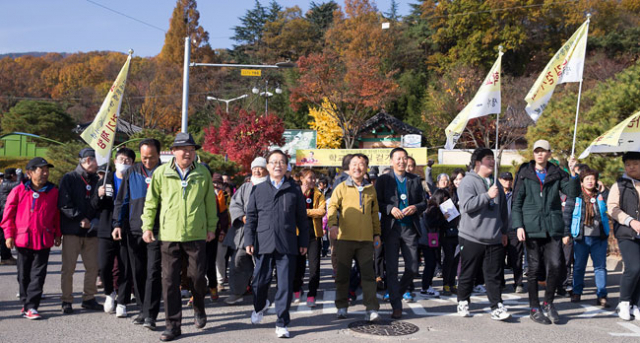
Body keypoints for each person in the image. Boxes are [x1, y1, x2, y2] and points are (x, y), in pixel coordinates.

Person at [141, 133, 218, 342]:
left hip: (196, 234)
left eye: (192, 149)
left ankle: (199, 307)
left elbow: (210, 203)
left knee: (198, 278)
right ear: (173, 151)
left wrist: (212, 227)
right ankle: (173, 326)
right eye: (184, 149)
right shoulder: (161, 173)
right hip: (169, 234)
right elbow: (151, 202)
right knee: (169, 280)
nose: (188, 153)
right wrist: (147, 226)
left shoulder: (202, 173)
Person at [244, 150, 310, 338]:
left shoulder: (294, 189)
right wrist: (249, 239)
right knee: (259, 282)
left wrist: (303, 241)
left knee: (285, 285)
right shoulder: (258, 189)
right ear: (267, 166)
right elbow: (251, 217)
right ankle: (259, 305)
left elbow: (302, 219)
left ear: (286, 165)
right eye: (273, 162)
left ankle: (282, 322)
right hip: (263, 242)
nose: (277, 165)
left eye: (281, 162)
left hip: (287, 243)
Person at [512, 140, 578, 325]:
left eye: (544, 151)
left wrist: (573, 174)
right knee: (533, 269)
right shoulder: (524, 173)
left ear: (549, 153)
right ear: (533, 153)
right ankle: (534, 307)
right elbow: (516, 202)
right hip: (531, 227)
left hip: (552, 226)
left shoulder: (557, 173)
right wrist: (518, 226)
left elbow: (573, 192)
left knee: (556, 265)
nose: (540, 154)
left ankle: (549, 303)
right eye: (537, 151)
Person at [112, 139, 163, 329]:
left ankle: (151, 314)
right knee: (138, 272)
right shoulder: (132, 172)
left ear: (158, 155)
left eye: (151, 157)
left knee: (153, 272)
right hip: (134, 230)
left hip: (158, 230)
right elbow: (122, 200)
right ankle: (142, 309)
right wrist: (117, 223)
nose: (148, 161)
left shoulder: (165, 172)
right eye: (144, 157)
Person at [1, 157, 60, 319]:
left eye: (47, 170)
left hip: (43, 238)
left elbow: (56, 214)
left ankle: (32, 306)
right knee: (23, 274)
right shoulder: (19, 190)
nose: (46, 173)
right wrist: (9, 235)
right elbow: (8, 215)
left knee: (38, 274)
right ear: (30, 173)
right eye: (42, 170)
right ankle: (25, 302)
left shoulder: (53, 191)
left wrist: (57, 234)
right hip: (23, 238)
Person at [456, 148, 510, 321]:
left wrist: (504, 230)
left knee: (493, 275)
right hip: (471, 236)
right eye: (488, 158)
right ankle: (463, 300)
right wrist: (487, 196)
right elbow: (466, 206)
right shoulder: (468, 182)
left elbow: (502, 210)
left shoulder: (495, 183)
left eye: (493, 158)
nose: (492, 162)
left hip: (494, 236)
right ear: (478, 162)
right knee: (468, 272)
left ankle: (497, 306)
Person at [328, 153, 381, 321]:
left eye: (361, 164)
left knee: (368, 276)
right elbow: (332, 207)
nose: (357, 167)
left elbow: (374, 214)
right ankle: (342, 307)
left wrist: (377, 234)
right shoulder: (341, 187)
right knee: (343, 275)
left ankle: (371, 308)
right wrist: (332, 225)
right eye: (354, 164)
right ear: (348, 168)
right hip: (344, 239)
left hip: (365, 240)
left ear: (366, 168)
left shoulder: (370, 189)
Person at [376, 147, 427, 319]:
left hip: (409, 228)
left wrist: (416, 207)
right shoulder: (383, 179)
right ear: (391, 161)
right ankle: (396, 305)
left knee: (413, 267)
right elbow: (378, 202)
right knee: (391, 269)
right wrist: (390, 209)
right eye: (398, 158)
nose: (401, 161)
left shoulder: (414, 179)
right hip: (391, 229)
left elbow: (424, 202)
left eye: (404, 158)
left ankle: (395, 293)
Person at [58, 147, 102, 314]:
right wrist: (79, 218)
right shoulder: (69, 178)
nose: (99, 165)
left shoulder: (97, 180)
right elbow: (64, 203)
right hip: (72, 230)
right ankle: (67, 300)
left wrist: (90, 220)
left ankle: (89, 298)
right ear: (88, 160)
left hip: (91, 231)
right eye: (97, 160)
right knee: (69, 268)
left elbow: (97, 204)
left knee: (92, 267)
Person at [93, 148, 135, 318]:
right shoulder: (105, 180)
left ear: (132, 163)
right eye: (121, 159)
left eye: (127, 160)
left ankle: (123, 301)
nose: (123, 163)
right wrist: (99, 194)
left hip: (127, 229)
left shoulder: (134, 179)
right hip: (106, 229)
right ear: (115, 160)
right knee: (104, 266)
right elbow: (94, 205)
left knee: (126, 266)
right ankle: (109, 293)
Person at [224, 157, 268, 305]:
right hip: (244, 232)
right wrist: (242, 217)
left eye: (260, 168)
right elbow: (235, 205)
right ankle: (237, 291)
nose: (257, 170)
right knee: (238, 259)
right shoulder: (245, 187)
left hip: (264, 231)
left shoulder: (271, 186)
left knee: (263, 263)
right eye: (254, 167)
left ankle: (262, 293)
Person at [563, 168, 609, 307]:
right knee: (579, 266)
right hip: (581, 237)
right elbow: (567, 215)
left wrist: (604, 189)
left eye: (592, 179)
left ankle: (602, 295)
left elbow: (610, 205)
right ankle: (577, 292)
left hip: (599, 237)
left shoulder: (601, 195)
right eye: (587, 179)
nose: (590, 181)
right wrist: (566, 233)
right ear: (581, 181)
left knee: (600, 267)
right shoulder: (576, 196)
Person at [607, 151, 640, 320]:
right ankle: (624, 303)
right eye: (628, 164)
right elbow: (612, 208)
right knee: (634, 267)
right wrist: (630, 221)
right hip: (627, 233)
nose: (631, 167)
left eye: (635, 163)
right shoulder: (620, 184)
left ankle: (636, 304)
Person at [292, 168, 326, 307]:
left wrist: (304, 211)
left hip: (314, 235)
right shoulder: (294, 192)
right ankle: (296, 289)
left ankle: (312, 294)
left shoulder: (318, 194)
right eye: (309, 178)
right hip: (297, 235)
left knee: (314, 266)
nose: (312, 180)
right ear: (301, 178)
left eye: (314, 178)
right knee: (298, 266)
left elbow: (322, 211)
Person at [424, 188, 459, 297]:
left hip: (454, 235)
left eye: (447, 197)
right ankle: (446, 284)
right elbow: (431, 223)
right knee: (448, 260)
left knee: (455, 259)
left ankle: (452, 283)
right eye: (444, 198)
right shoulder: (433, 208)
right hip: (443, 237)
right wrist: (443, 218)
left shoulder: (450, 206)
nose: (446, 199)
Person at [205, 173, 231, 301]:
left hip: (217, 231)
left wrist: (223, 231)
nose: (216, 185)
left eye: (218, 183)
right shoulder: (202, 192)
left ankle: (216, 284)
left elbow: (225, 215)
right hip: (200, 232)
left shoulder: (224, 196)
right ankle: (202, 287)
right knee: (201, 262)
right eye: (214, 183)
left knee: (216, 259)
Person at [499, 172, 525, 293]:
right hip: (499, 231)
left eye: (510, 180)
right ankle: (501, 282)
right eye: (505, 179)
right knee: (499, 258)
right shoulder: (496, 194)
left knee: (517, 258)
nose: (508, 182)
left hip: (514, 230)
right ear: (499, 180)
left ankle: (518, 283)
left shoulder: (516, 194)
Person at [0, 167, 23, 265]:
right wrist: (21, 173)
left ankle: (7, 256)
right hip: (4, 213)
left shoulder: (5, 183)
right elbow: (19, 184)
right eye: (16, 175)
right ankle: (5, 257)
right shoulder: (6, 184)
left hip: (5, 212)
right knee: (5, 235)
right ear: (12, 175)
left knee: (4, 236)